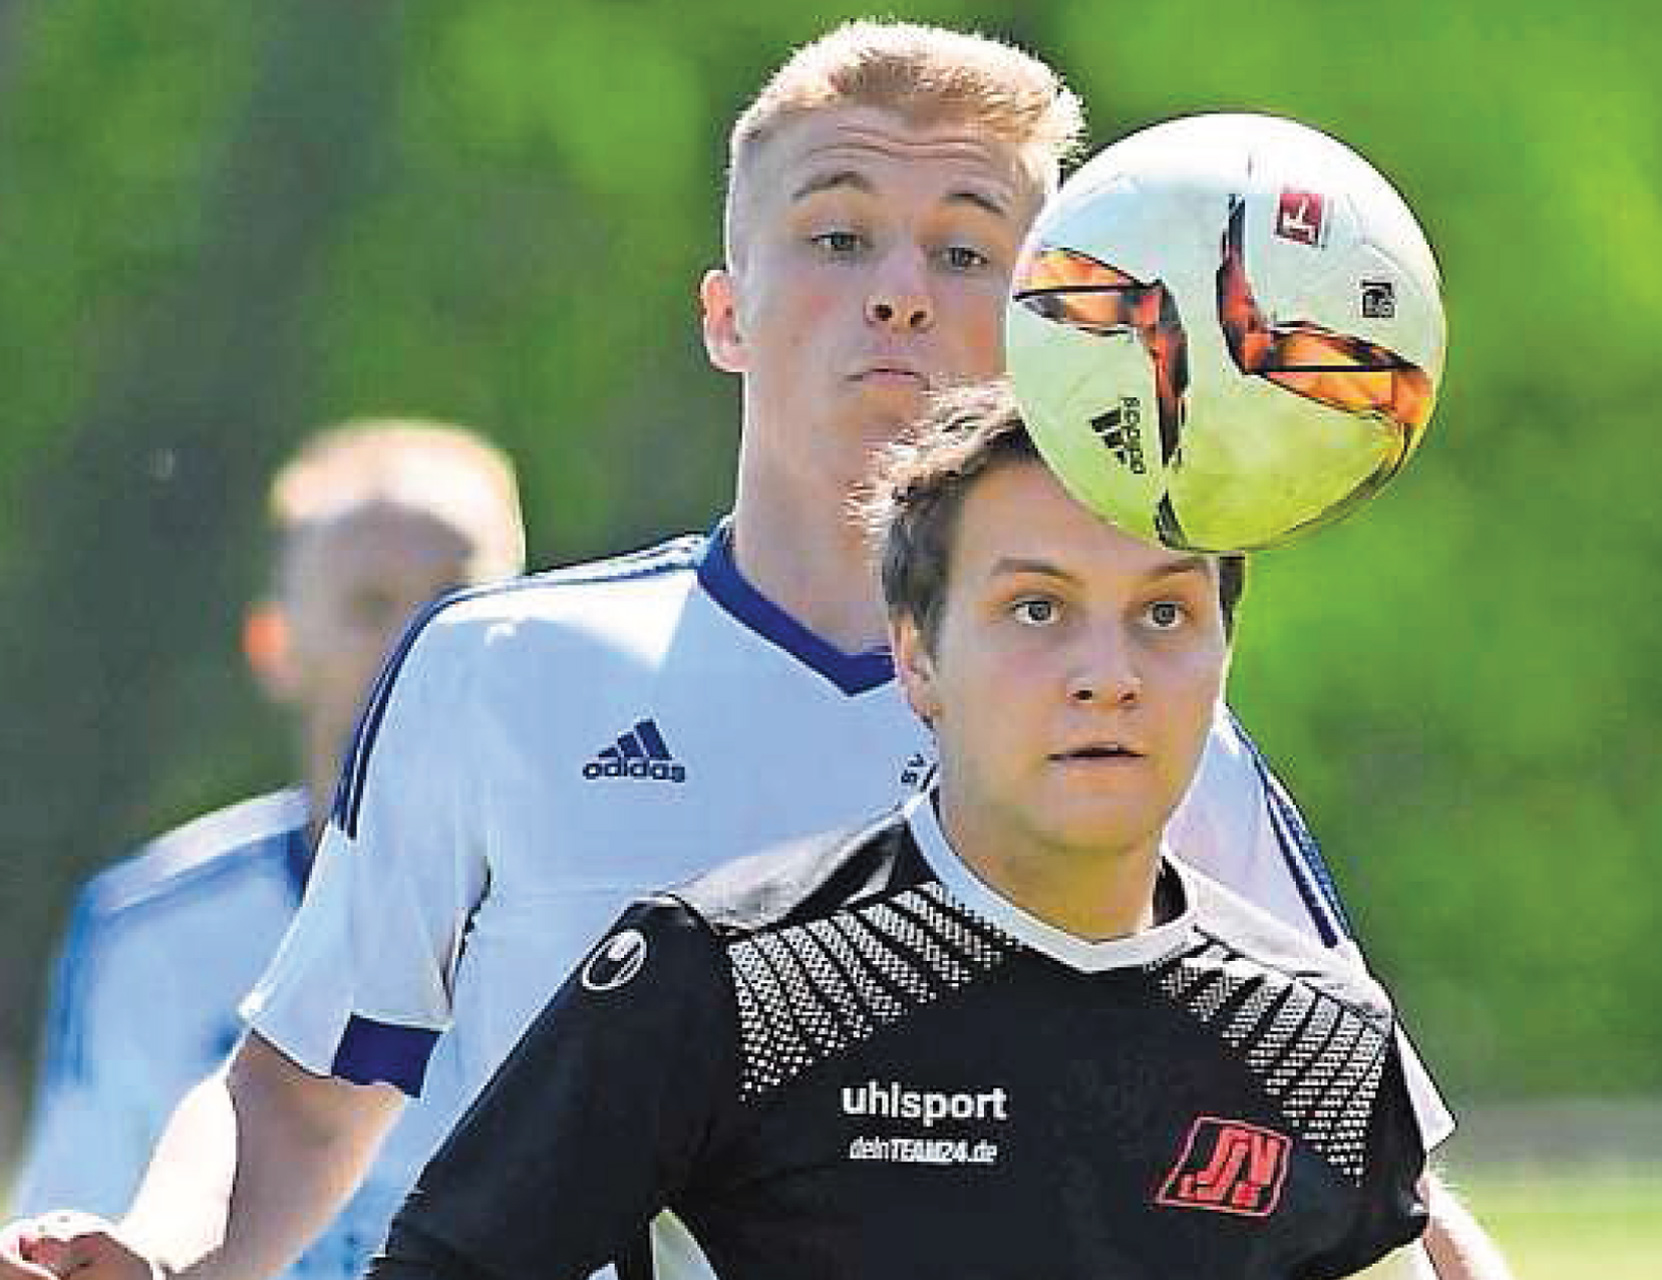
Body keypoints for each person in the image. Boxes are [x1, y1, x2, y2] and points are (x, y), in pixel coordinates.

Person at [1, 20, 1507, 1280]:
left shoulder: (1134, 711)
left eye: (970, 250)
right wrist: (162, 1252)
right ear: (728, 311)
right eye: (839, 235)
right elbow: (299, 1095)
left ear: (1064, 322)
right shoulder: (503, 672)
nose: (902, 288)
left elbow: (1369, 1154)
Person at [368, 380, 1432, 1280]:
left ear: (1222, 654)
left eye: (1163, 613)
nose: (1108, 676)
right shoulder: (723, 979)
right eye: (1037, 609)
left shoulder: (1323, 1041)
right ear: (916, 657)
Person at [9, 421, 527, 1280]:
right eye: (370, 605)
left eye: (456, 597)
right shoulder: (143, 930)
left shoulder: (608, 902)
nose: (419, 642)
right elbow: (82, 1229)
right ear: (276, 647)